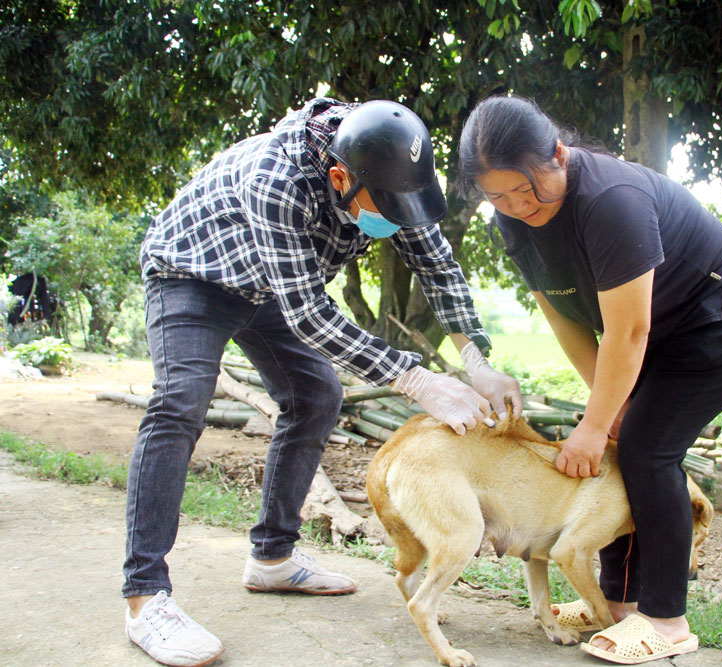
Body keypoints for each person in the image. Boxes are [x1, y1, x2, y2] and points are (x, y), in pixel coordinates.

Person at [124, 98, 523, 667]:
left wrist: (476, 360)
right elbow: (309, 314)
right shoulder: (276, 180)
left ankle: (272, 558)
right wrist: (417, 380)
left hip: (267, 290)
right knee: (180, 403)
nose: (398, 218)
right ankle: (146, 598)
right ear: (340, 178)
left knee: (317, 395)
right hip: (193, 276)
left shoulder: (387, 173)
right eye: (387, 208)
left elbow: (438, 265)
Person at [458, 95, 722, 664]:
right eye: (496, 195)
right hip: (648, 328)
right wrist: (608, 411)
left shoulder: (609, 200)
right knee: (627, 439)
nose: (517, 205)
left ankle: (667, 619)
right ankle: (621, 604)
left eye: (527, 189)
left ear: (557, 155)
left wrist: (596, 426)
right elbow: (564, 315)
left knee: (649, 448)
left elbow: (628, 332)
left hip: (718, 314)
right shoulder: (513, 217)